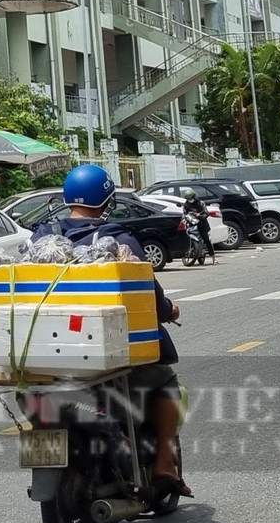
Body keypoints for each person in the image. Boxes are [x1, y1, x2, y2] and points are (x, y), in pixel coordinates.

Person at [29, 163, 188, 498]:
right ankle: (163, 462)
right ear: (108, 198)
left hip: (42, 356)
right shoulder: (119, 239)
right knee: (165, 381)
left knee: (36, 405)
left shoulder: (41, 238)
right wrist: (169, 310)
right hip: (105, 356)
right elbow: (148, 294)